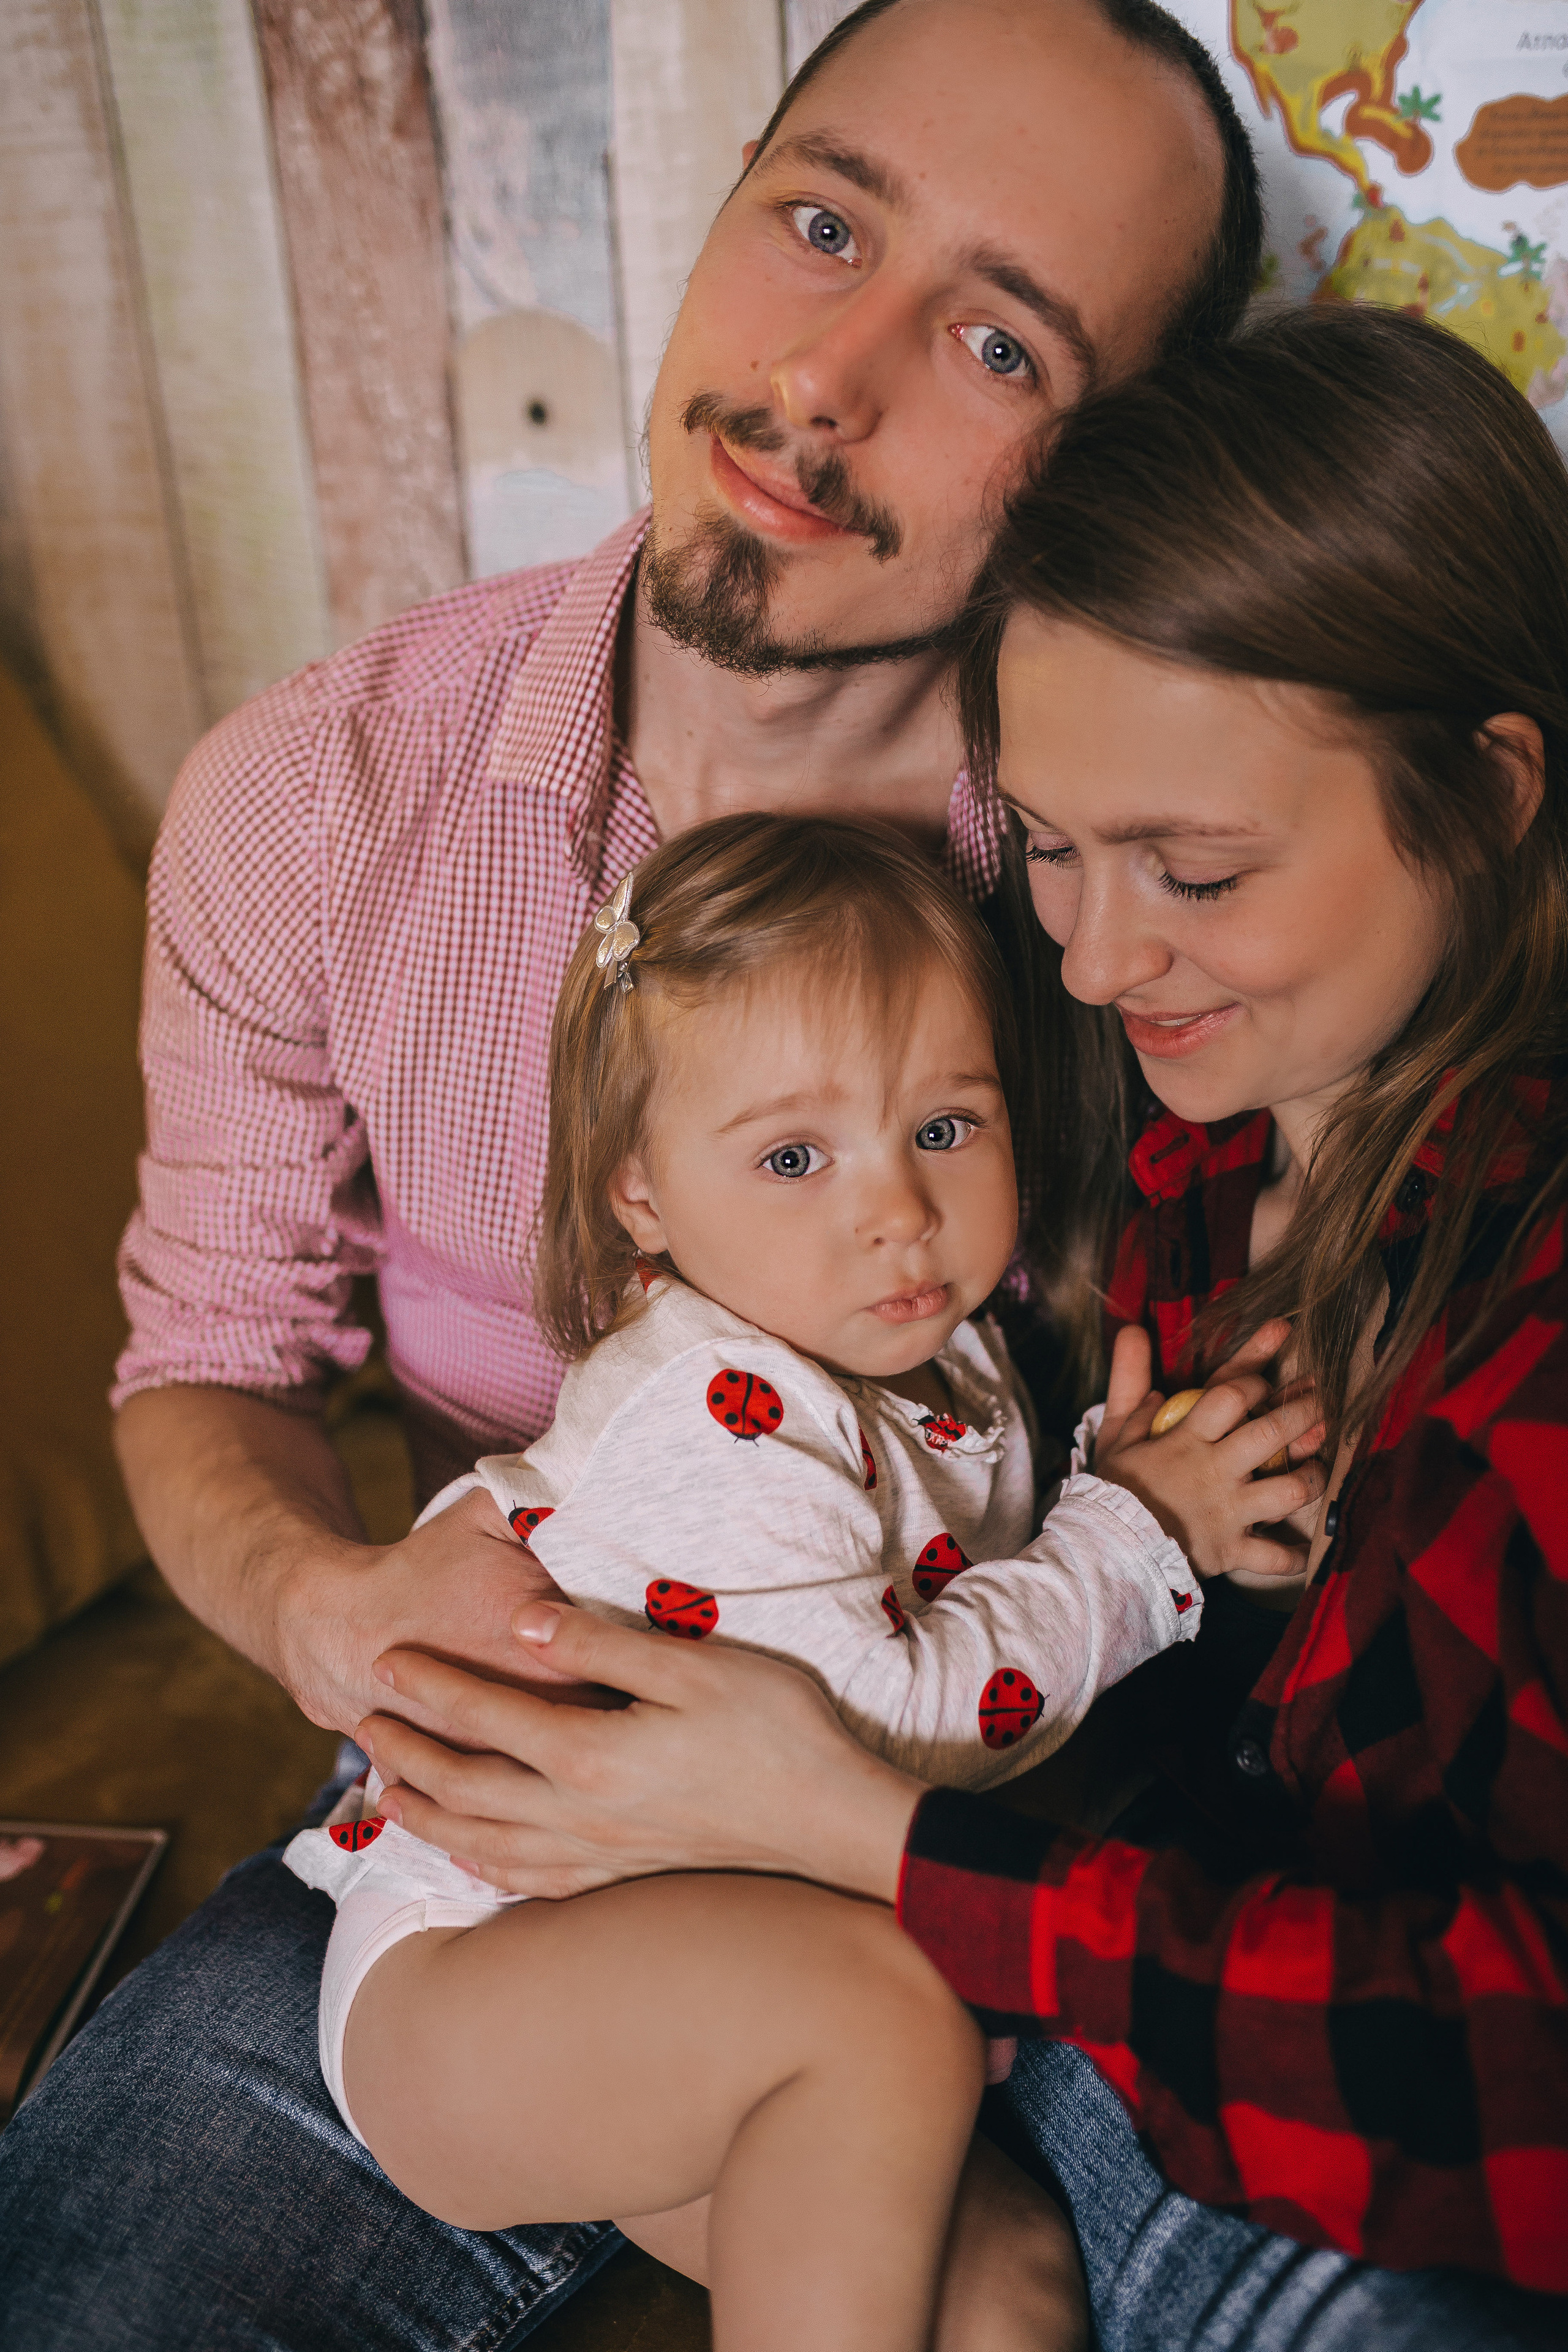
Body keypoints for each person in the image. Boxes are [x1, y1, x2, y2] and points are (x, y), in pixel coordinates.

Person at [0, 6, 1264, 2346]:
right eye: (822, 223)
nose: (826, 379)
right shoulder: (323, 801)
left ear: (1116, 469)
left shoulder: (1144, 876)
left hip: (996, 1816)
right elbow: (210, 1356)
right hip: (511, 1837)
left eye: (998, 341)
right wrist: (334, 1615)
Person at [339, 307, 1568, 2350]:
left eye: (1194, 869)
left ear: (1490, 791)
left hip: (1184, 2024)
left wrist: (868, 1822)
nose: (1088, 960)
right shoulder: (1182, 1154)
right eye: (1057, 850)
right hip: (691, 1930)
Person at [282, 812, 1324, 2351]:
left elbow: (955, 1577)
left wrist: (1122, 1472)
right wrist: (1136, 1531)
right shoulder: (719, 1403)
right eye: (791, 1157)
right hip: (479, 1964)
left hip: (707, 1972)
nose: (895, 1208)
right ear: (642, 1196)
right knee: (882, 2019)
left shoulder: (924, 1345)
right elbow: (887, 1730)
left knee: (1005, 2291)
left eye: (945, 1127)